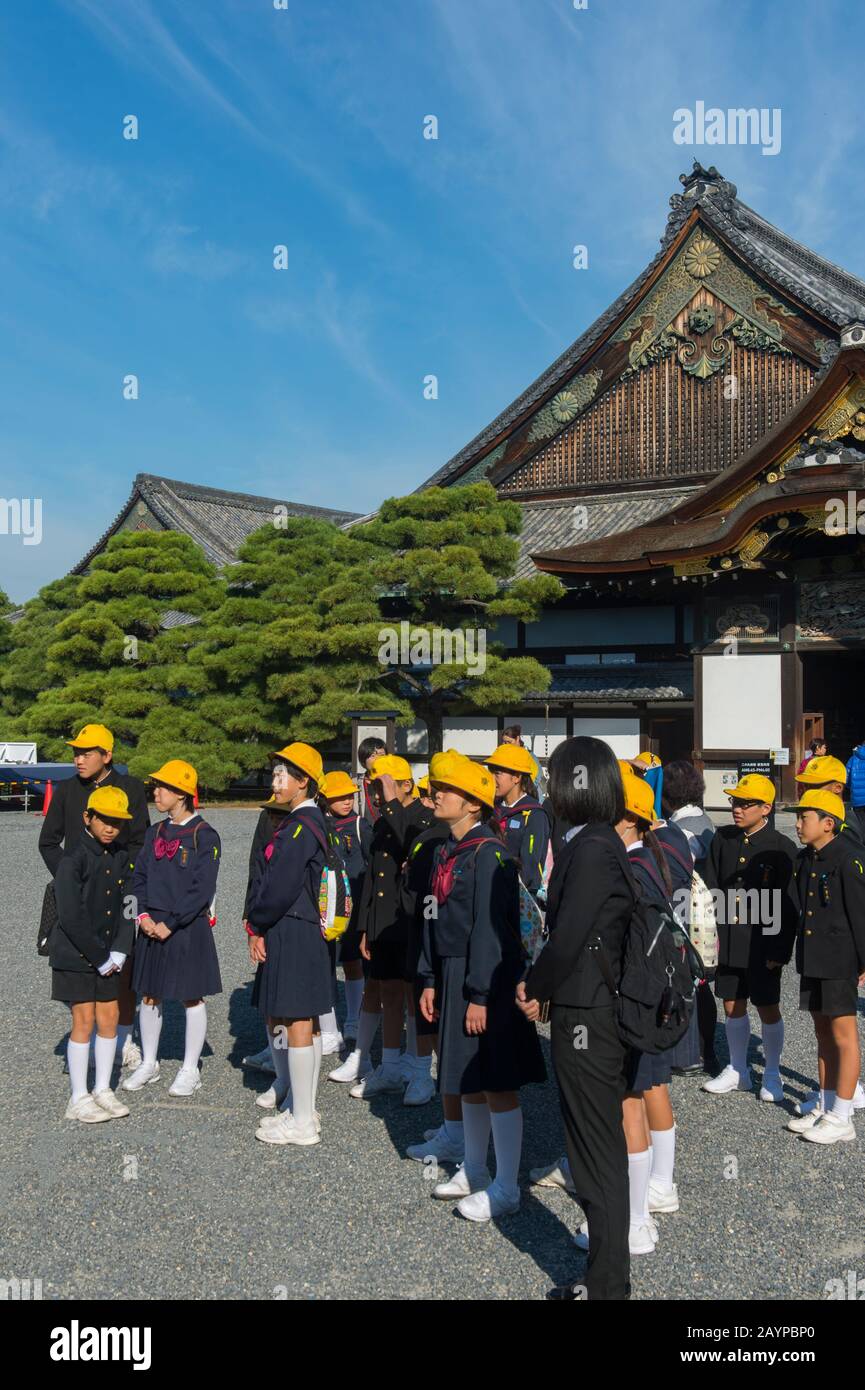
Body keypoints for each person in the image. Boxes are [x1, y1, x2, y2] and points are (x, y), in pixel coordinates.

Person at [519, 736, 633, 1302]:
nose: (548, 785)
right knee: (593, 1147)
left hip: (589, 1013)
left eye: (555, 775)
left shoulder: (589, 847)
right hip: (585, 1005)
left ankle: (608, 1286)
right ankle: (602, 1277)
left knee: (595, 1153)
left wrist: (534, 985)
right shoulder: (594, 841)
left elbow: (567, 940)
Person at [418, 752, 545, 1221]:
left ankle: (507, 1185)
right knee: (466, 1078)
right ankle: (473, 1168)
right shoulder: (443, 849)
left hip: (486, 976)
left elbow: (492, 932)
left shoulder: (491, 854)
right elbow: (432, 916)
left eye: (446, 789)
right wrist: (429, 976)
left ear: (473, 804)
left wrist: (478, 994)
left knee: (495, 1082)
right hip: (451, 972)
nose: (436, 795)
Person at [39, 722, 149, 1073]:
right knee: (77, 963)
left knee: (124, 966)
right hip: (79, 895)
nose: (78, 759)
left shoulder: (130, 788)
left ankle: (123, 1040)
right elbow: (47, 841)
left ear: (108, 755)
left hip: (119, 891)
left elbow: (140, 842)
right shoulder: (67, 790)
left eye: (86, 753)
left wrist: (124, 880)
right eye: (75, 752)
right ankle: (87, 1040)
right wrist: (71, 879)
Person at [331, 754, 433, 1100]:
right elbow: (373, 878)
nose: (376, 793)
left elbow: (412, 843)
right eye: (373, 786)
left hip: (411, 922)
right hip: (384, 923)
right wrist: (364, 928)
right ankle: (389, 1066)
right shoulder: (381, 820)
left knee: (414, 997)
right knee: (389, 992)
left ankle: (420, 1071)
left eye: (383, 786)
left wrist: (391, 801)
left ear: (406, 785)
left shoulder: (424, 817)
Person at [247, 742, 331, 1147]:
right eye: (275, 773)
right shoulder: (309, 820)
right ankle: (303, 1110)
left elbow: (279, 886)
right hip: (303, 928)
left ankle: (301, 1120)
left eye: (285, 775)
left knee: (296, 1019)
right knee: (306, 1023)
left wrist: (256, 925)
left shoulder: (300, 825)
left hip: (292, 927)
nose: (276, 781)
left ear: (304, 782)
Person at [124, 761, 222, 1098]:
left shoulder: (205, 835)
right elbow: (137, 878)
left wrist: (171, 922)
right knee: (149, 994)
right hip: (152, 923)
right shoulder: (154, 832)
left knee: (190, 996)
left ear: (181, 793)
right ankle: (149, 1062)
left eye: (163, 787)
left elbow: (202, 888)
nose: (156, 793)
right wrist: (142, 917)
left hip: (186, 925)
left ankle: (189, 1067)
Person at [701, 773, 797, 1102]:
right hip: (728, 935)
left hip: (762, 940)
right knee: (731, 1003)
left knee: (768, 1005)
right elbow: (711, 887)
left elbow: (789, 904)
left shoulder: (782, 848)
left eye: (745, 804)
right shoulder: (723, 838)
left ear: (766, 808)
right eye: (735, 802)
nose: (737, 809)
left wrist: (781, 949)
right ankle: (738, 1068)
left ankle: (771, 1073)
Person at [51, 786, 137, 1123]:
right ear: (88, 817)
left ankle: (103, 1088)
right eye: (104, 819)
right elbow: (71, 916)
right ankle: (78, 1096)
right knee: (83, 1020)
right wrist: (100, 957)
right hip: (76, 955)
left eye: (117, 822)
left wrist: (120, 947)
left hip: (109, 955)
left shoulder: (120, 856)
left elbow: (130, 904)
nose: (111, 827)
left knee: (109, 1018)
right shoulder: (73, 858)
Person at [786, 790, 865, 1144]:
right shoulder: (807, 859)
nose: (799, 824)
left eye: (805, 818)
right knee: (821, 1032)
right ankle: (825, 1101)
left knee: (844, 1036)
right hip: (814, 957)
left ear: (828, 824)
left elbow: (861, 916)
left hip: (840, 958)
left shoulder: (849, 860)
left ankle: (843, 1116)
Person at [661, 759, 718, 1073]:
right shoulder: (704, 819)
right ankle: (705, 1050)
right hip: (707, 905)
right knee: (700, 980)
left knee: (688, 977)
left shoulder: (680, 830)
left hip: (687, 908)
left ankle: (693, 1051)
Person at [319, 770, 371, 1049]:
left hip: (355, 904)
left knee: (352, 962)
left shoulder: (361, 825)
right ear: (326, 799)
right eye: (339, 797)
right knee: (325, 962)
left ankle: (353, 1018)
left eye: (349, 796)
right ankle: (329, 1027)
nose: (346, 801)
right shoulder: (320, 824)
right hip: (327, 904)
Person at [485, 743, 550, 897]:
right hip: (488, 890)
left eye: (497, 773)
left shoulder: (534, 814)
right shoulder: (490, 809)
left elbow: (530, 866)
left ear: (516, 777)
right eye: (491, 772)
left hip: (518, 897)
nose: (492, 778)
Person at [799, 754, 865, 847]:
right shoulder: (815, 818)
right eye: (806, 786)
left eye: (815, 787)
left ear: (837, 788)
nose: (808, 792)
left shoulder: (847, 827)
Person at [357, 736, 387, 830]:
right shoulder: (355, 784)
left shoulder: (395, 782)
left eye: (381, 755)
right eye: (372, 756)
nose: (377, 759)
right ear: (363, 760)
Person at [847, 740, 865, 823]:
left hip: (857, 800)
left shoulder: (852, 759)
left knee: (860, 825)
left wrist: (852, 788)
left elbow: (846, 777)